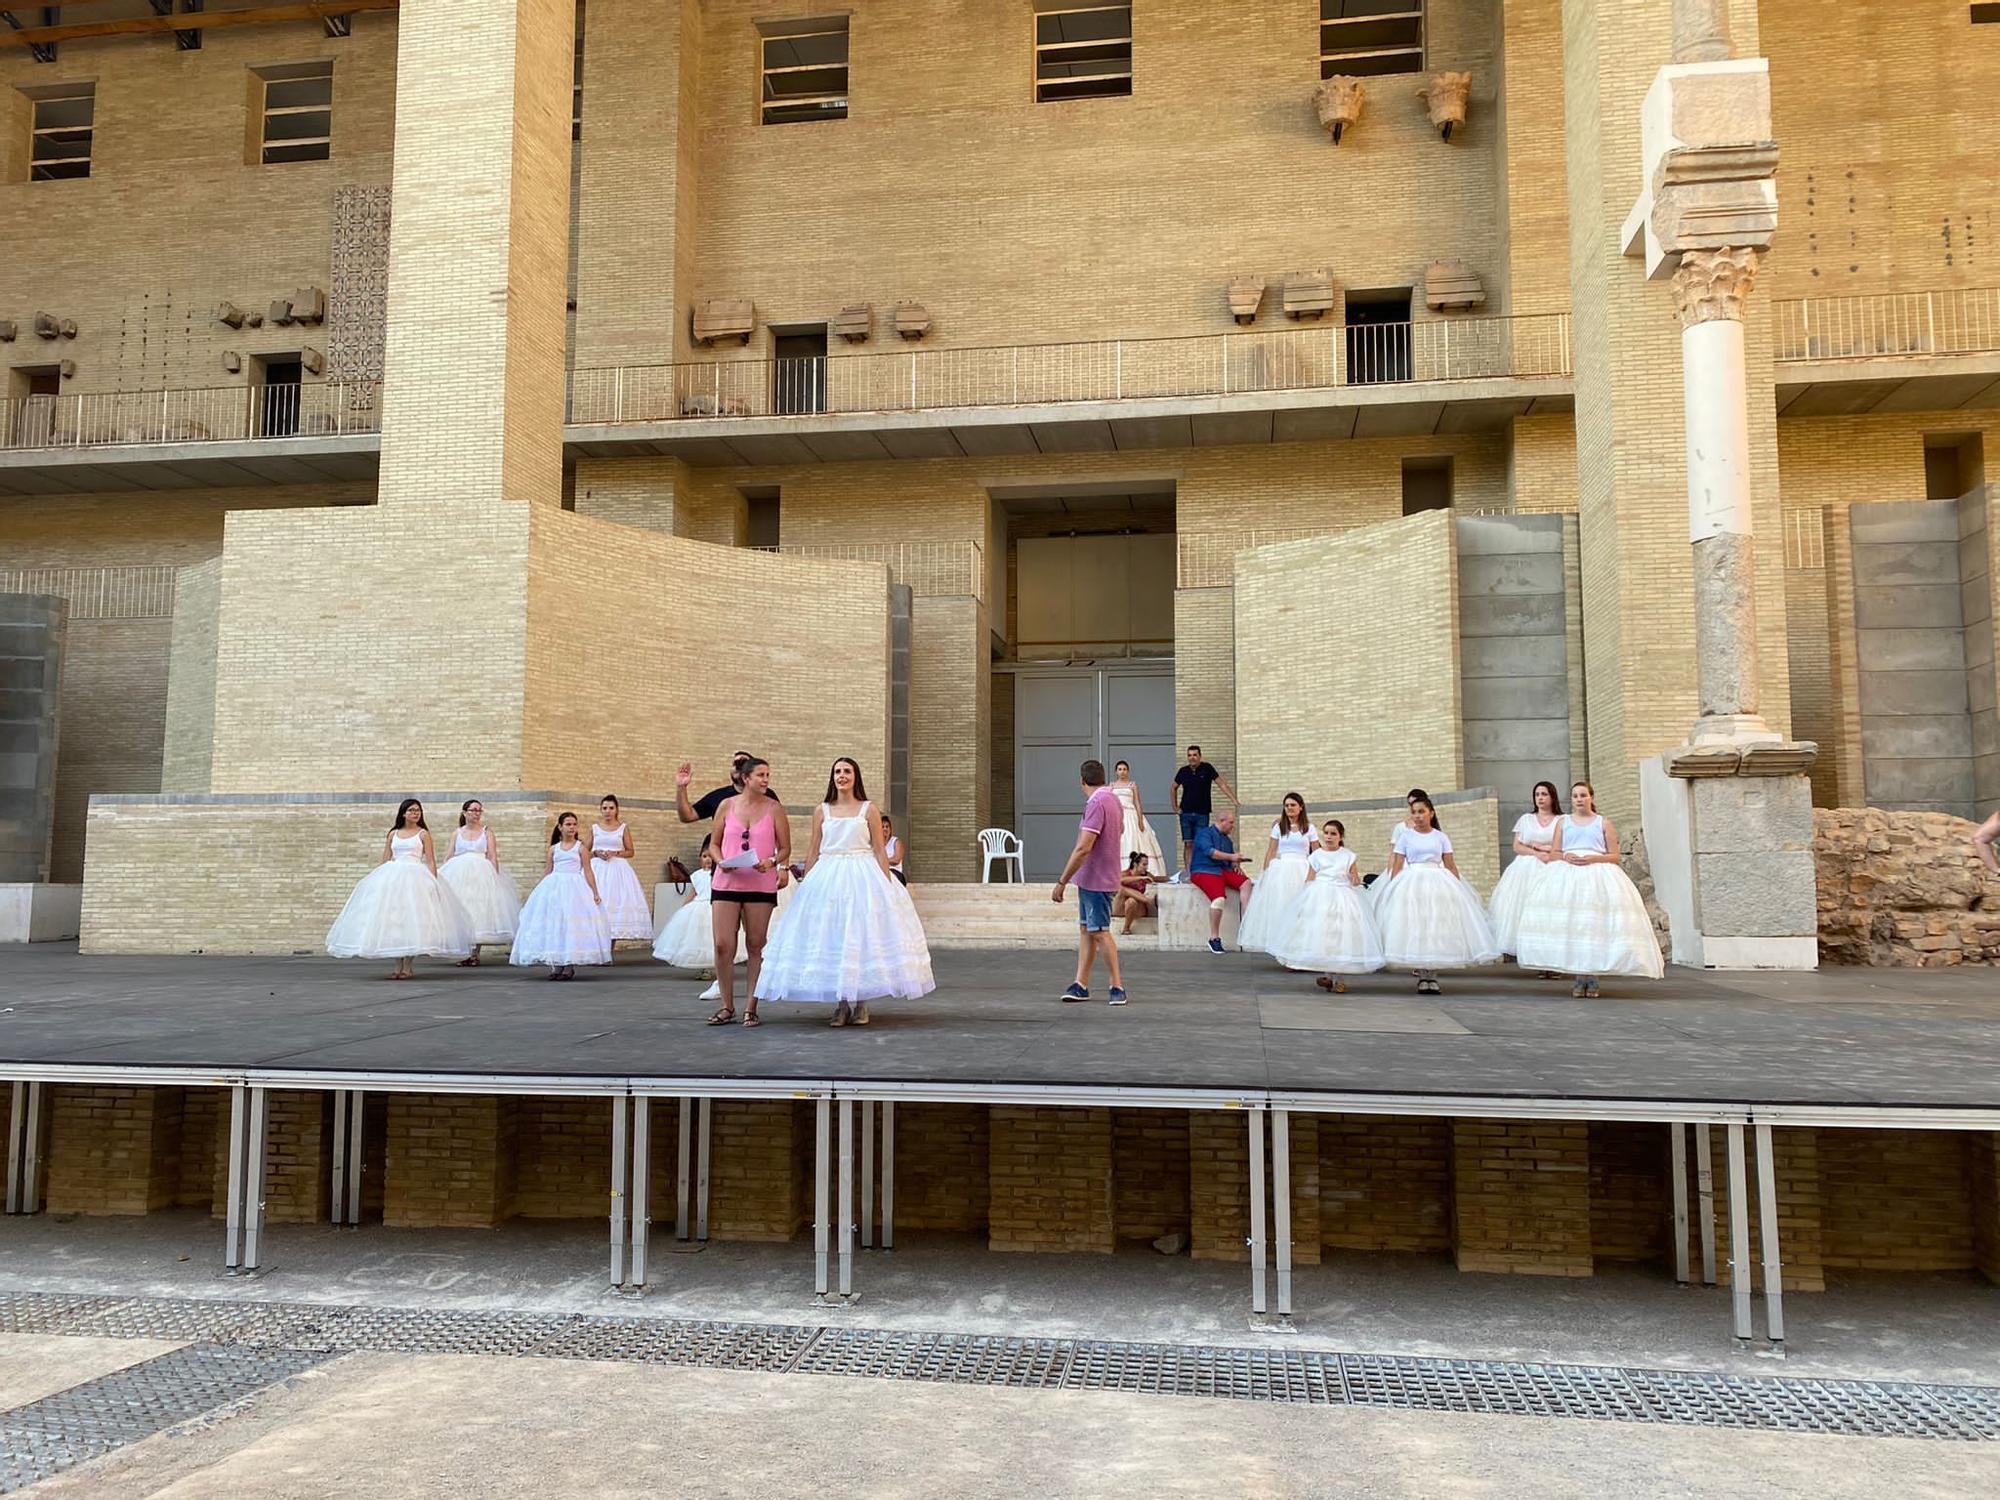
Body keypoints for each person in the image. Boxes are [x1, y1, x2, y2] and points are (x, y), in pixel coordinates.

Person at [755, 757, 935, 1024]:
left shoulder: (868, 809)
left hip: (862, 873)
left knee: (862, 934)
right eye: (837, 771)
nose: (842, 776)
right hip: (829, 875)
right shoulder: (822, 810)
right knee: (833, 935)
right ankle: (841, 1004)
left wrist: (886, 884)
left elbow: (878, 848)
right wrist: (806, 880)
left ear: (855, 776)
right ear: (833, 777)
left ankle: (862, 1001)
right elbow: (814, 848)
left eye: (847, 771)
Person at [1514, 781, 1664, 997]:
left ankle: (1592, 977)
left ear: (1591, 797)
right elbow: (1555, 852)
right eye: (1575, 796)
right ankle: (1578, 976)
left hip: (1598, 874)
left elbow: (1614, 856)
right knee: (1575, 925)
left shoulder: (1603, 823)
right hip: (1569, 875)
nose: (1579, 799)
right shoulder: (1563, 822)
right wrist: (1566, 855)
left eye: (1583, 795)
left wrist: (1593, 857)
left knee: (1595, 926)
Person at [326, 798, 474, 979]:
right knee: (395, 922)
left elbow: (430, 860)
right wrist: (377, 882)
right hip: (393, 878)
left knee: (413, 920)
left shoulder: (423, 834)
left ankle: (408, 967)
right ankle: (398, 966)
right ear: (403, 813)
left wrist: (434, 883)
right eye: (411, 810)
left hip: (416, 878)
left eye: (418, 810)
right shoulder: (393, 834)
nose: (415, 813)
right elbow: (386, 858)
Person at [1373, 793, 1499, 994]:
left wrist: (1460, 890)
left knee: (1435, 926)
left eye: (1421, 812)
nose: (1418, 816)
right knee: (1418, 926)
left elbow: (1450, 864)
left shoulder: (1441, 837)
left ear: (1431, 813)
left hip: (1437, 882)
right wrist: (1393, 889)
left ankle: (1433, 976)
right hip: (1412, 882)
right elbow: (1397, 865)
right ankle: (1423, 975)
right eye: (1414, 812)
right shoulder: (1405, 836)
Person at [706, 756, 790, 1028]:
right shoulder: (725, 806)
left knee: (756, 944)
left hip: (759, 884)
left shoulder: (775, 808)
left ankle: (751, 1007)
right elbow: (714, 844)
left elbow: (785, 848)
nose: (766, 780)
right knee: (722, 945)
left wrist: (773, 862)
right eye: (761, 775)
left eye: (768, 775)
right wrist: (720, 862)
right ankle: (726, 1005)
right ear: (746, 778)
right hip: (726, 882)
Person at [1271, 819, 1385, 993]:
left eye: (1333, 834)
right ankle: (1328, 975)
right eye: (1326, 833)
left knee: (1341, 934)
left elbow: (1354, 876)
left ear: (1340, 836)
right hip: (1321, 895)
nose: (1329, 837)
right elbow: (1310, 878)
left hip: (1342, 896)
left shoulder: (1348, 855)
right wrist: (1304, 899)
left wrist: (1354, 880)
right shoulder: (1316, 855)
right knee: (1324, 934)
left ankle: (1339, 978)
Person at [1052, 758, 1127, 1005]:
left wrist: (1062, 880)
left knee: (1100, 932)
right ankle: (1080, 984)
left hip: (1097, 878)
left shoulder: (1097, 802)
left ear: (1082, 781)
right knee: (1087, 930)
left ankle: (1117, 986)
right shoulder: (1114, 799)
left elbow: (1084, 847)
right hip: (1096, 876)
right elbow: (1121, 831)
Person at [509, 811, 612, 979]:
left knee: (569, 926)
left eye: (574, 824)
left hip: (574, 890)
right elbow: (548, 871)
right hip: (554, 888)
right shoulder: (553, 849)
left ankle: (568, 965)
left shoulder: (581, 848)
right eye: (568, 824)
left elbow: (588, 871)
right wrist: (538, 892)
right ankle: (556, 964)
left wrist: (595, 892)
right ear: (560, 827)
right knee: (555, 925)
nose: (572, 827)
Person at [438, 798, 521, 966]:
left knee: (481, 909)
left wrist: (495, 876)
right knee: (461, 907)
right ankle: (466, 952)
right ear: (464, 812)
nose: (476, 813)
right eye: (473, 810)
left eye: (479, 810)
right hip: (459, 872)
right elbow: (449, 854)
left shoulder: (486, 832)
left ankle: (475, 953)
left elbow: (492, 855)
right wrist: (441, 875)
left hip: (481, 872)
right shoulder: (457, 832)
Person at [1488, 781, 1563, 959]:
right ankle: (1534, 956)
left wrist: (1547, 851)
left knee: (1549, 911)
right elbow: (1517, 846)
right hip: (1526, 868)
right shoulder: (1526, 819)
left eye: (1544, 794)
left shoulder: (1562, 820)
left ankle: (1552, 957)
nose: (1540, 798)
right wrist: (1536, 852)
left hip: (1552, 865)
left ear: (1552, 796)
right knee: (1522, 910)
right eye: (1537, 794)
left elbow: (1565, 845)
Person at [1236, 792, 1316, 955]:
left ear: (1301, 807)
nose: (1289, 808)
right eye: (1286, 806)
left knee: (1302, 909)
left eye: (1293, 805)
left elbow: (1317, 852)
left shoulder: (1309, 828)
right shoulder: (1279, 827)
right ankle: (1285, 949)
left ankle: (1300, 948)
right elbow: (1271, 851)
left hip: (1303, 868)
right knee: (1282, 908)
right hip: (1283, 870)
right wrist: (1265, 874)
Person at [653, 836, 735, 972]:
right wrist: (683, 908)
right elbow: (693, 893)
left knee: (712, 938)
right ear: (700, 858)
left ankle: (715, 968)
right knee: (697, 938)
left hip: (714, 907)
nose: (708, 859)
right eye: (704, 856)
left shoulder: (719, 874)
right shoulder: (696, 875)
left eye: (710, 856)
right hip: (697, 909)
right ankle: (702, 968)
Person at [1189, 810, 1252, 955]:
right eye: (1230, 823)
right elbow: (1211, 852)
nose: (1232, 826)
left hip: (1221, 870)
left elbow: (1229, 861)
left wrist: (1235, 865)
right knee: (1218, 899)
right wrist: (1232, 857)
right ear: (1222, 821)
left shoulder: (1227, 841)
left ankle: (1246, 922)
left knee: (1246, 883)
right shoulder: (1204, 834)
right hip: (1204, 870)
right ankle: (1214, 937)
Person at [589, 794, 652, 943]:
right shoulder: (595, 828)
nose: (607, 811)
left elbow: (630, 851)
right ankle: (597, 947)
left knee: (615, 904)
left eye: (611, 808)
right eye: (604, 808)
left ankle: (609, 948)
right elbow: (585, 849)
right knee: (595, 904)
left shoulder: (623, 828)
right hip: (598, 868)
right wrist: (596, 852)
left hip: (617, 870)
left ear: (616, 810)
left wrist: (615, 853)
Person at [1171, 745, 1239, 872]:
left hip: (1202, 813)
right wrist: (1175, 807)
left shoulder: (1207, 768)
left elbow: (1221, 784)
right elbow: (1173, 787)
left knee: (1201, 843)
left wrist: (1234, 799)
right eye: (1189, 755)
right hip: (1186, 813)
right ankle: (1189, 872)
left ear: (1200, 756)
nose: (1192, 758)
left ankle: (1199, 870)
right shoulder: (1183, 771)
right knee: (1188, 843)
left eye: (1194, 755)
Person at [676, 752, 779, 824]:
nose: (738, 767)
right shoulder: (719, 797)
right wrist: (681, 787)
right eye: (735, 764)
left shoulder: (768, 795)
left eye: (743, 763)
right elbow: (687, 816)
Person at [1108, 760, 1168, 874]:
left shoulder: (1132, 785)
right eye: (1120, 769)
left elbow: (1137, 803)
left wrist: (1140, 820)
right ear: (1116, 771)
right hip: (1117, 815)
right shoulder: (1111, 786)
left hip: (1131, 815)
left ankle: (1139, 869)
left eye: (1124, 769)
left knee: (1134, 838)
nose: (1122, 772)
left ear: (1128, 771)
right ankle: (1117, 871)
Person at [1114, 851, 1160, 936]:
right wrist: (1140, 878)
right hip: (1121, 908)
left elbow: (1157, 879)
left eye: (1147, 865)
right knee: (1121, 889)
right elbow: (1118, 881)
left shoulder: (1147, 875)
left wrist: (1174, 878)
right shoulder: (1126, 873)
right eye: (1144, 865)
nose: (1146, 867)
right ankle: (1148, 900)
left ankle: (1126, 928)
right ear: (1135, 864)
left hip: (1136, 908)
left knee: (1131, 901)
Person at [881, 814, 908, 885]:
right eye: (882, 827)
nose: (885, 829)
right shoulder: (876, 844)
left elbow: (896, 860)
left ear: (890, 829)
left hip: (894, 872)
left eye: (887, 826)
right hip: (881, 871)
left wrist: (881, 860)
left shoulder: (896, 842)